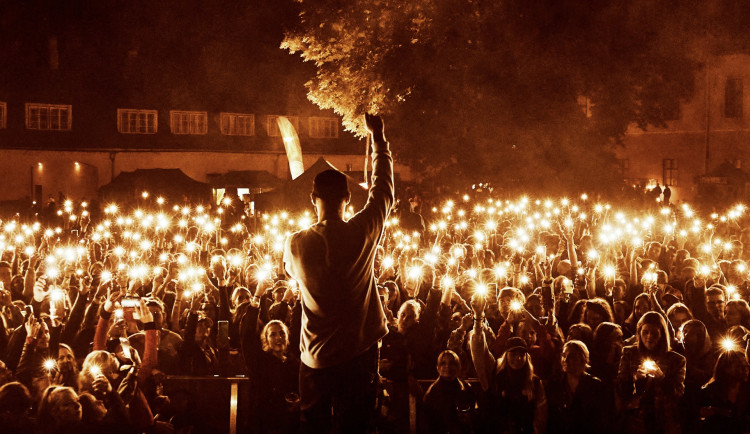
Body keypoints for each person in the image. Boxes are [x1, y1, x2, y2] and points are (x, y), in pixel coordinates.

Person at [284, 113, 394, 433]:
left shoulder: (295, 243)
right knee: (356, 425)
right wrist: (378, 138)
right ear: (348, 199)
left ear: (312, 199)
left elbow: (292, 275)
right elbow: (383, 190)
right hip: (357, 357)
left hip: (314, 359)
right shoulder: (363, 231)